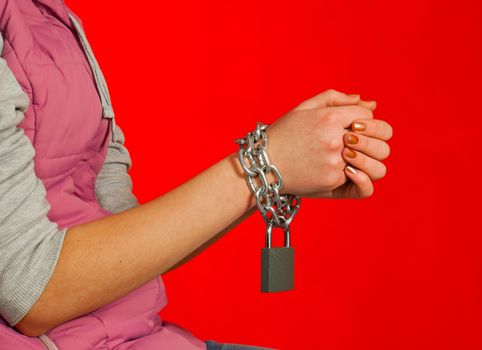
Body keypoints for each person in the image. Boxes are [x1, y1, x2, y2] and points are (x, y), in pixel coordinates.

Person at [0, 0, 392, 349]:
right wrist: (265, 163)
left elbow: (123, 239)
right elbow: (31, 291)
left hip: (145, 335)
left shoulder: (51, 17)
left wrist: (276, 176)